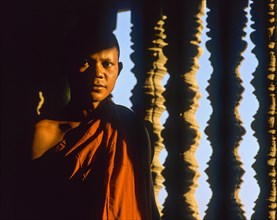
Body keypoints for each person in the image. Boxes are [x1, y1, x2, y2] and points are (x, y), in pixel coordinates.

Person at [26, 28, 160, 220]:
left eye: (107, 64)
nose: (98, 73)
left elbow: (146, 203)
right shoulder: (45, 133)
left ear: (118, 70)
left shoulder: (131, 128)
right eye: (85, 63)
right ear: (68, 66)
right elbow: (31, 205)